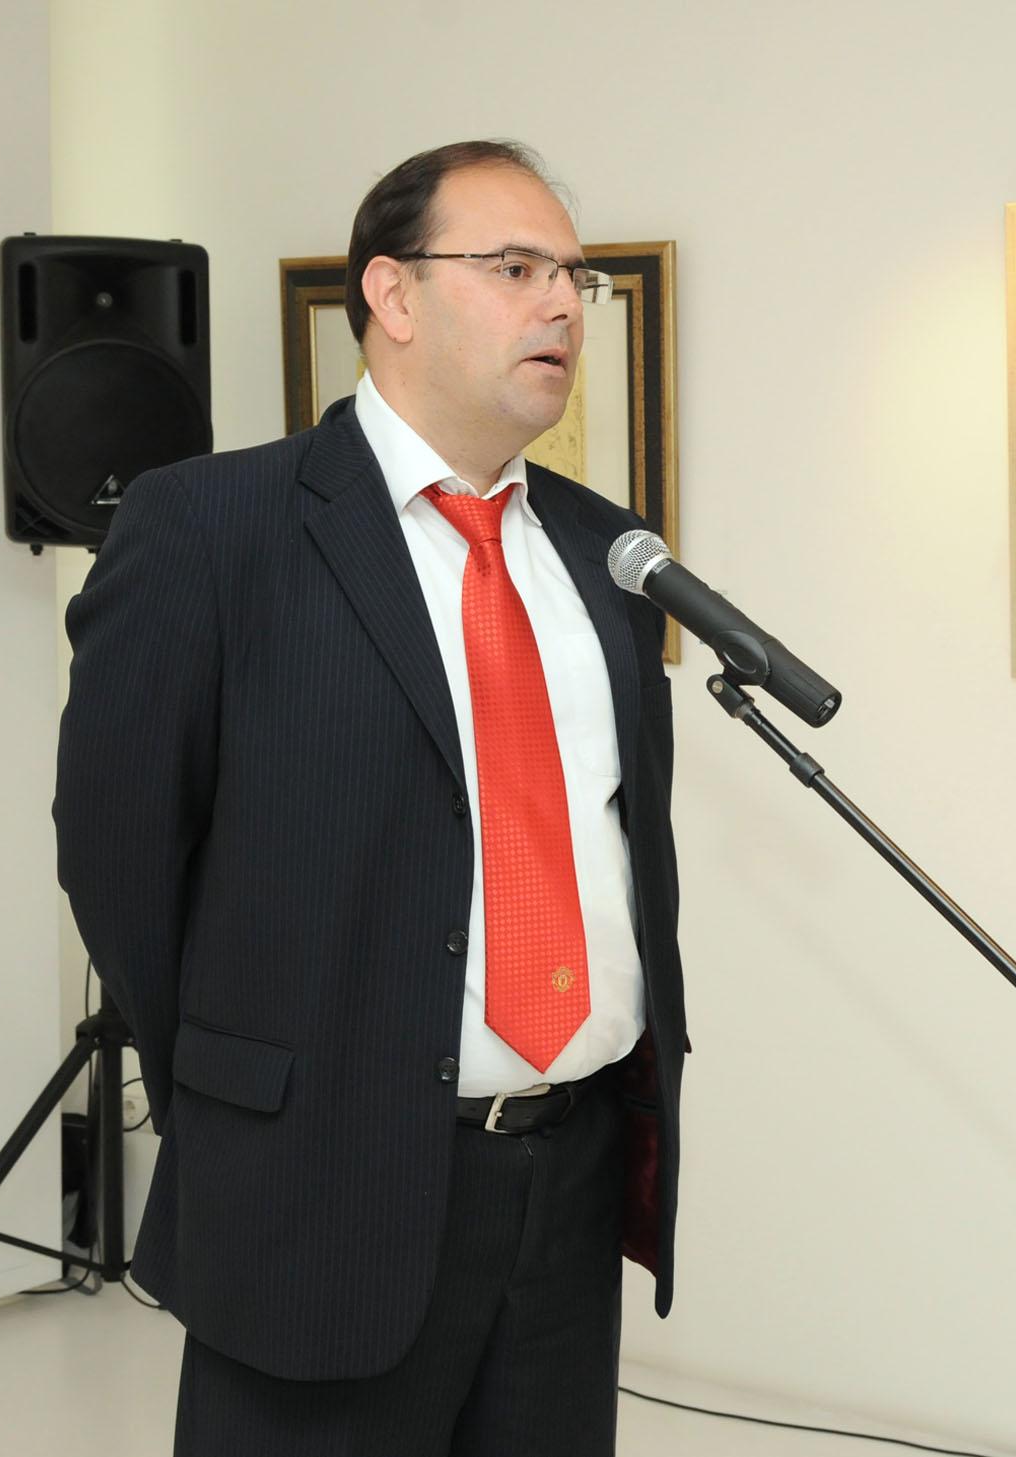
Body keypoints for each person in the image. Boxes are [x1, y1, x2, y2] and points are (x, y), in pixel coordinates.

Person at [54, 139, 685, 1457]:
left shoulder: (600, 550)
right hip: (318, 1190)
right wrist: (250, 1091)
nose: (562, 304)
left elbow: (619, 846)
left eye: (573, 277)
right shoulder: (213, 528)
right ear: (392, 294)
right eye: (514, 267)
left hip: (567, 1178)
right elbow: (118, 856)